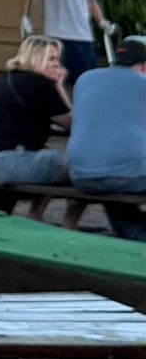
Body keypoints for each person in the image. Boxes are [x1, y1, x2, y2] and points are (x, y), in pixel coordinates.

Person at [61, 36, 146, 240]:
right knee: (122, 170)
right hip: (130, 176)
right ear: (143, 67)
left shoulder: (85, 79)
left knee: (114, 168)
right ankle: (136, 232)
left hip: (81, 174)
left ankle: (134, 230)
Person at [0, 38, 70, 195]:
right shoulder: (37, 83)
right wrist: (58, 85)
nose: (57, 65)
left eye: (57, 59)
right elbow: (72, 122)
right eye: (51, 59)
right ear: (35, 58)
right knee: (82, 169)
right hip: (9, 163)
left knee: (45, 156)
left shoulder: (8, 78)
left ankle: (34, 214)